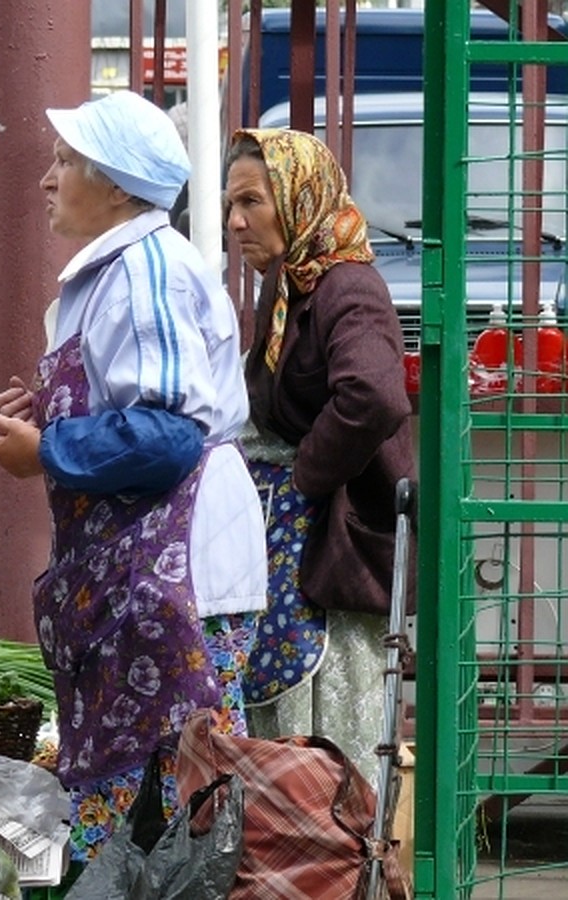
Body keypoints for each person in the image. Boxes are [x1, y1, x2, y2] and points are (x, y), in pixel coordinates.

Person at [0, 90, 267, 880]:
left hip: (179, 571)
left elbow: (169, 431)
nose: (47, 179)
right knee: (152, 801)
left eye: (65, 162)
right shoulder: (118, 271)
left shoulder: (148, 272)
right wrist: (49, 413)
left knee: (181, 796)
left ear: (117, 187)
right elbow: (134, 399)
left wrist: (45, 449)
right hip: (143, 573)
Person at [225, 128, 416, 779]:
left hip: (338, 547)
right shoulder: (290, 285)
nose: (234, 221)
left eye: (251, 201)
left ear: (298, 198)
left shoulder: (347, 288)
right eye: (231, 205)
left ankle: (336, 867)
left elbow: (372, 397)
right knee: (291, 742)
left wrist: (303, 477)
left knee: (336, 746)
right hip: (301, 547)